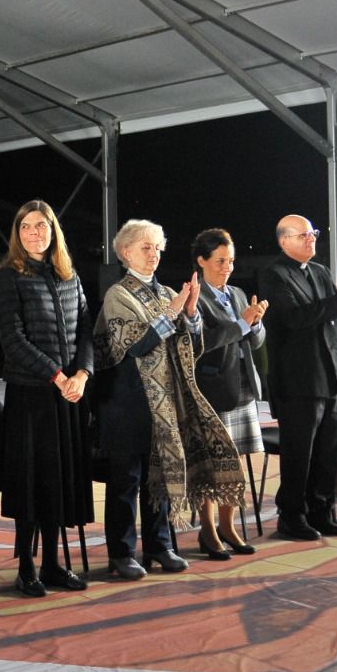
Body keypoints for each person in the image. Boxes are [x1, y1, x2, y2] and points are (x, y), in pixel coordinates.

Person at [92, 219, 244, 580]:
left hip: (164, 404)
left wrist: (190, 314)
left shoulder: (164, 294)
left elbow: (190, 346)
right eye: (146, 248)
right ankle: (122, 552)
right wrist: (174, 312)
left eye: (158, 248)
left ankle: (160, 545)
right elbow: (132, 345)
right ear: (126, 252)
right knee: (127, 481)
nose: (154, 255)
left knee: (159, 479)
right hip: (127, 402)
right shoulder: (119, 295)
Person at [0, 199, 93, 596]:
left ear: (54, 231)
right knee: (31, 484)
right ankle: (27, 569)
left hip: (68, 397)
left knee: (58, 483)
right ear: (18, 234)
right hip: (31, 397)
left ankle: (53, 564)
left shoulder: (69, 276)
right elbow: (12, 340)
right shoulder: (8, 277)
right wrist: (57, 375)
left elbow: (86, 329)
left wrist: (81, 374)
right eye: (27, 227)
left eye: (42, 226)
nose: (35, 233)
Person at [259, 216, 337, 540]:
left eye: (313, 233)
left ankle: (322, 510)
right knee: (299, 452)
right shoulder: (273, 274)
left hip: (331, 373)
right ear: (283, 240)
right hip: (299, 378)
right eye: (303, 235)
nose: (311, 239)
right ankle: (292, 516)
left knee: (330, 450)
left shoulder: (319, 271)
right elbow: (295, 318)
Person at [192, 228, 266, 558]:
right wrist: (241, 324)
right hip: (212, 389)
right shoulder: (196, 296)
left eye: (231, 260)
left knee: (233, 464)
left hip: (242, 387)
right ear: (201, 261)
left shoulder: (235, 293)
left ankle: (228, 525)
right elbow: (203, 343)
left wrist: (257, 323)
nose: (227, 267)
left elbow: (255, 340)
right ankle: (207, 532)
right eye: (220, 260)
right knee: (211, 464)